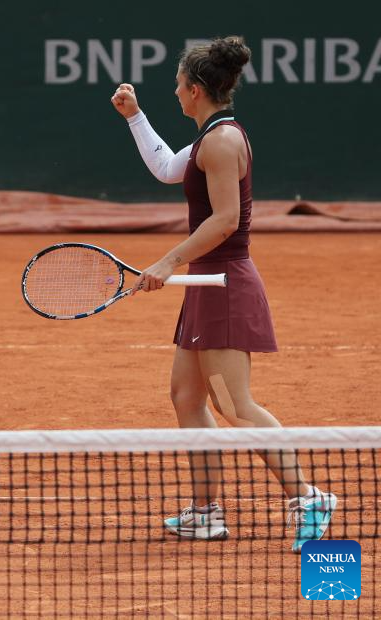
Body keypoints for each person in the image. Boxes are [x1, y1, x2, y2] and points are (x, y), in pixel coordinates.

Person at [110, 36, 335, 552]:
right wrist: (135, 117)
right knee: (187, 397)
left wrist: (168, 261)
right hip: (206, 284)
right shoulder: (210, 138)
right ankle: (206, 513)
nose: (174, 93)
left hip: (225, 286)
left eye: (177, 85)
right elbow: (167, 169)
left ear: (195, 89)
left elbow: (227, 220)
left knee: (235, 403)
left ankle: (308, 498)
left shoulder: (221, 142)